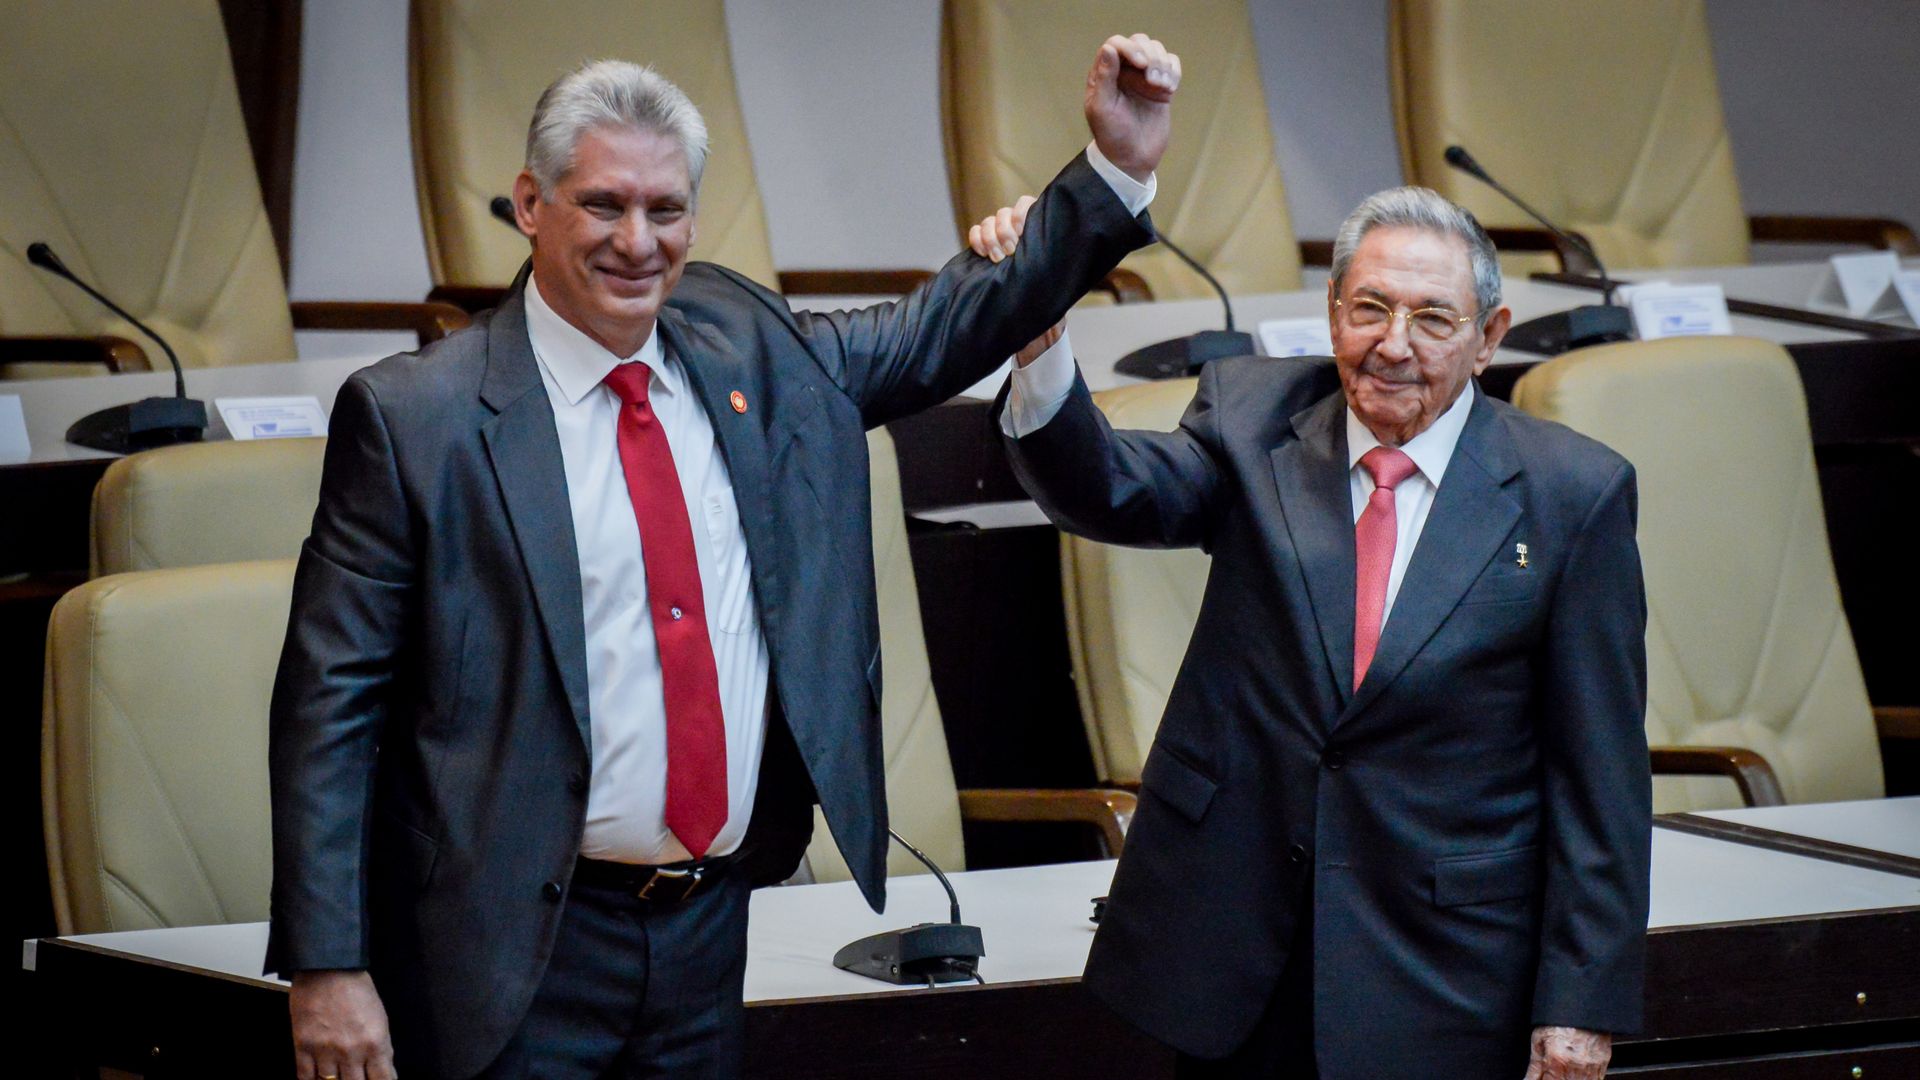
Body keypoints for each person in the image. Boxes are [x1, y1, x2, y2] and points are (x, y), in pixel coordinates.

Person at [268, 34, 1181, 1080]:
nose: (637, 242)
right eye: (603, 205)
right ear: (530, 205)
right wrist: (327, 965)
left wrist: (1111, 169)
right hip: (504, 947)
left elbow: (942, 329)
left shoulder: (747, 347)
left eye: (666, 212)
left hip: (706, 934)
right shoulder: (415, 417)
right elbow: (330, 704)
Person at [973, 185, 1651, 1078]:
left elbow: (1600, 778)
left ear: (1489, 338)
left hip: (1445, 969)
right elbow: (1105, 485)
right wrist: (1039, 335)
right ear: (1333, 313)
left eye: (1432, 319)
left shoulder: (1573, 494)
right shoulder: (1252, 421)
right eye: (1369, 308)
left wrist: (1579, 1003)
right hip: (1240, 958)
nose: (1393, 345)